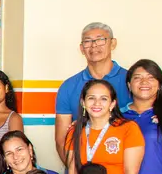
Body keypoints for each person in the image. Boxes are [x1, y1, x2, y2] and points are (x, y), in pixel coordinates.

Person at [54, 22, 133, 164]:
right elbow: (62, 140)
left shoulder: (132, 81)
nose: (94, 45)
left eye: (100, 39)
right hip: (82, 170)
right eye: (88, 41)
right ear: (81, 48)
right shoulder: (68, 86)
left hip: (124, 171)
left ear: (113, 43)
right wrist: (76, 173)